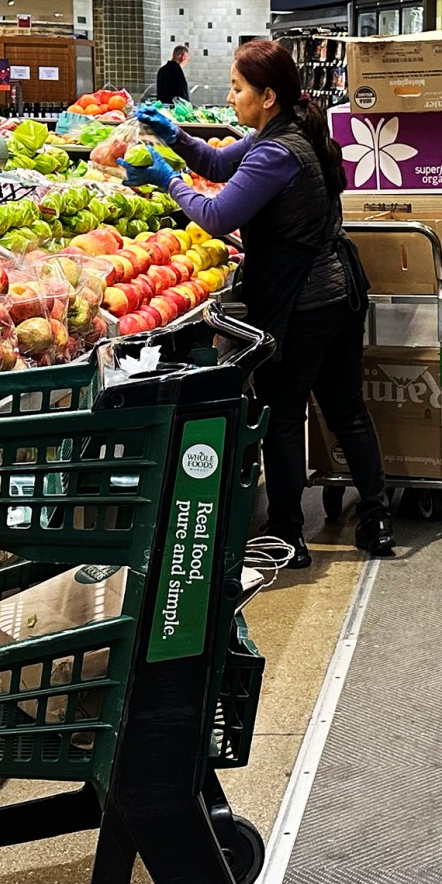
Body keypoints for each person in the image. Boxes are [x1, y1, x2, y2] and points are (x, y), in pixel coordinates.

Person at [145, 40, 394, 565]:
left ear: (269, 95)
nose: (231, 97)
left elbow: (216, 215)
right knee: (346, 409)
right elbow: (216, 162)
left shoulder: (277, 152)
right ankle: (376, 519)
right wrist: (176, 138)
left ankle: (287, 534)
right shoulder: (289, 131)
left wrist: (167, 181)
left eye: (238, 88)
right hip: (341, 294)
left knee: (284, 414)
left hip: (303, 303)